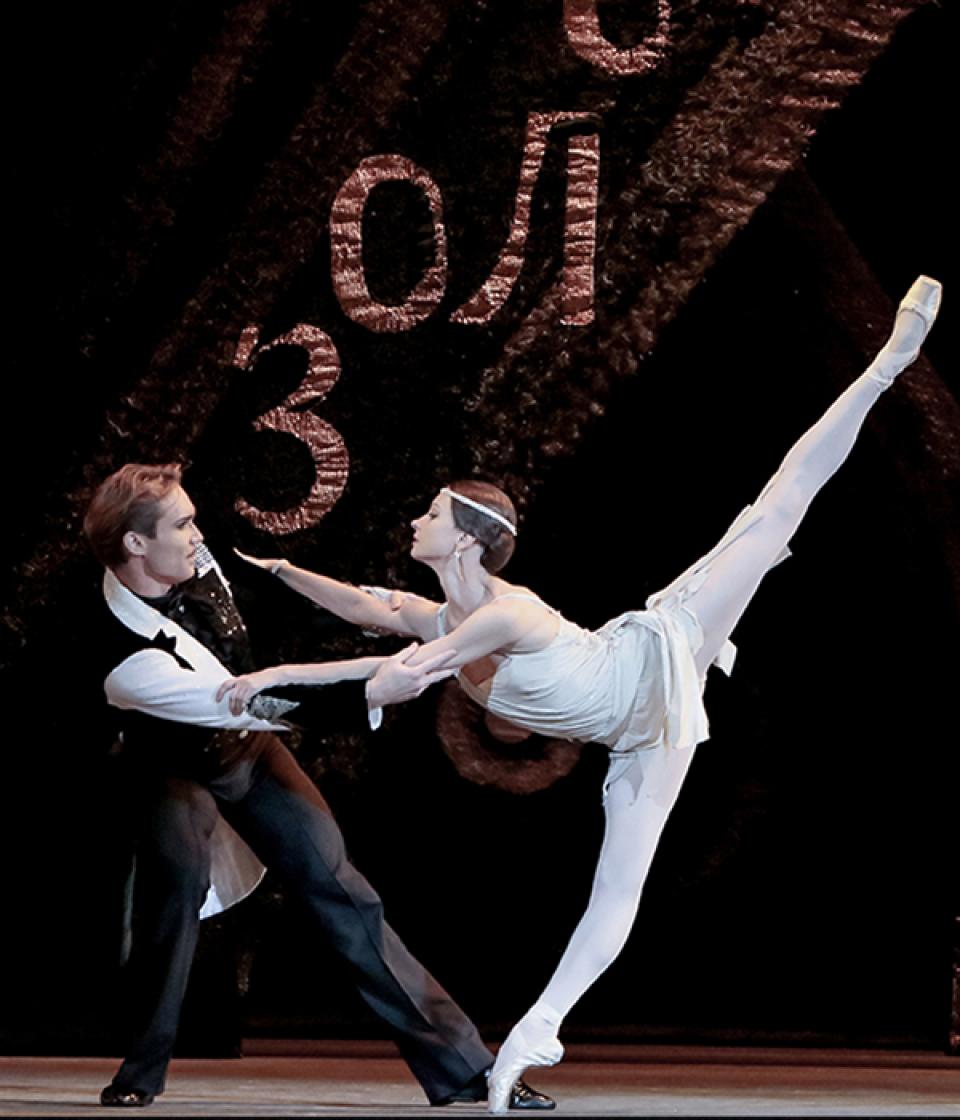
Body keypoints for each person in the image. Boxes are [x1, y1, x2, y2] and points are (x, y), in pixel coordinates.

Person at [222, 276, 943, 1112]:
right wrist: (285, 571)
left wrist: (277, 681)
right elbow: (364, 606)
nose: (416, 522)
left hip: (661, 654)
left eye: (431, 515)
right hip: (643, 736)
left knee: (778, 504)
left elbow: (397, 673)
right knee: (616, 890)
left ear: (465, 540)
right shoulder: (441, 613)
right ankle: (533, 1037)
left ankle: (887, 363)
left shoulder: (506, 615)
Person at [82, 463, 555, 1111]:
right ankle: (140, 1071)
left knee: (343, 893)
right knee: (174, 900)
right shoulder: (121, 654)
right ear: (136, 544)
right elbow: (251, 704)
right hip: (174, 761)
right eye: (183, 525)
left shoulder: (195, 560)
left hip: (249, 751)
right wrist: (370, 690)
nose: (199, 534)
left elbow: (276, 628)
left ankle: (468, 1071)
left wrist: (358, 616)